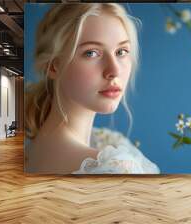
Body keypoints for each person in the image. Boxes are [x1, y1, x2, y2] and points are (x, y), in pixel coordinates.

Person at [25, 3, 160, 174]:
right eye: (91, 53)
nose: (114, 70)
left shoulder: (34, 149)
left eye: (121, 51)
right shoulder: (115, 168)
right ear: (53, 66)